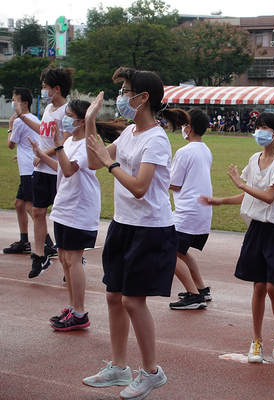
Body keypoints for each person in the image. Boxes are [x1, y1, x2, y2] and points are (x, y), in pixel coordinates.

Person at [82, 67, 187, 400]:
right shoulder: (129, 132)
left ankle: (152, 372)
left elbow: (140, 187)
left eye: (126, 91)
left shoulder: (156, 138)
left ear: (143, 98)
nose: (120, 97)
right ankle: (118, 366)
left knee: (131, 300)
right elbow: (93, 162)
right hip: (123, 224)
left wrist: (109, 162)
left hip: (150, 229)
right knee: (114, 296)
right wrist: (88, 123)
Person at [201, 112, 274, 363]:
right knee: (257, 287)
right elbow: (251, 196)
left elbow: (268, 196)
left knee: (272, 287)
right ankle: (256, 340)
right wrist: (221, 200)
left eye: (265, 128)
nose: (259, 132)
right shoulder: (254, 159)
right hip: (258, 227)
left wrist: (240, 185)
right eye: (257, 127)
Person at [29, 99, 123, 331]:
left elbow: (70, 170)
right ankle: (72, 307)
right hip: (64, 205)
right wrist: (42, 154)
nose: (65, 119)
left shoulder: (88, 144)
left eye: (69, 115)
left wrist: (58, 146)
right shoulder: (71, 140)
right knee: (63, 258)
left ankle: (80, 312)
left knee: (73, 259)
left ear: (82, 121)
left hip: (80, 208)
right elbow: (61, 168)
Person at [14, 66, 74, 278]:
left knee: (61, 216)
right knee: (38, 211)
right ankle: (40, 256)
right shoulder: (48, 109)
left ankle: (72, 257)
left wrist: (43, 152)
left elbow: (65, 140)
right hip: (41, 169)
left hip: (57, 170)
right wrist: (21, 116)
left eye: (45, 87)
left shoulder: (67, 111)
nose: (43, 91)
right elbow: (43, 131)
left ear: (56, 89)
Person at [168, 108, 213, 310]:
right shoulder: (205, 149)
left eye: (184, 124)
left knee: (168, 249)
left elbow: (175, 183)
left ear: (190, 127)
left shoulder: (184, 152)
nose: (182, 128)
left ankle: (194, 296)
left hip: (187, 210)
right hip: (199, 209)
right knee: (182, 252)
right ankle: (200, 288)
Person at [3, 88, 39, 255]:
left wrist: (10, 126)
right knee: (19, 204)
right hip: (29, 167)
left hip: (28, 170)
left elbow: (11, 144)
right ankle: (24, 241)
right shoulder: (34, 119)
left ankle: (48, 243)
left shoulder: (19, 121)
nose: (13, 103)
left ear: (24, 103)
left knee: (32, 207)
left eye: (15, 100)